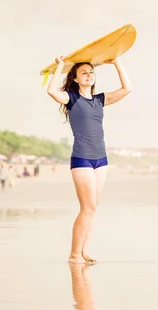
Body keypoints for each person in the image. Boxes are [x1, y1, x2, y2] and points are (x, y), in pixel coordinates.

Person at [47, 56, 132, 263]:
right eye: (84, 72)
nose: (89, 75)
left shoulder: (99, 100)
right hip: (82, 158)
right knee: (86, 207)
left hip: (100, 158)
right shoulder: (71, 99)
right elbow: (51, 92)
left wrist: (117, 62)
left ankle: (84, 251)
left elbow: (126, 88)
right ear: (75, 78)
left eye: (91, 72)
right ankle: (74, 253)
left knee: (93, 208)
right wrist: (60, 67)